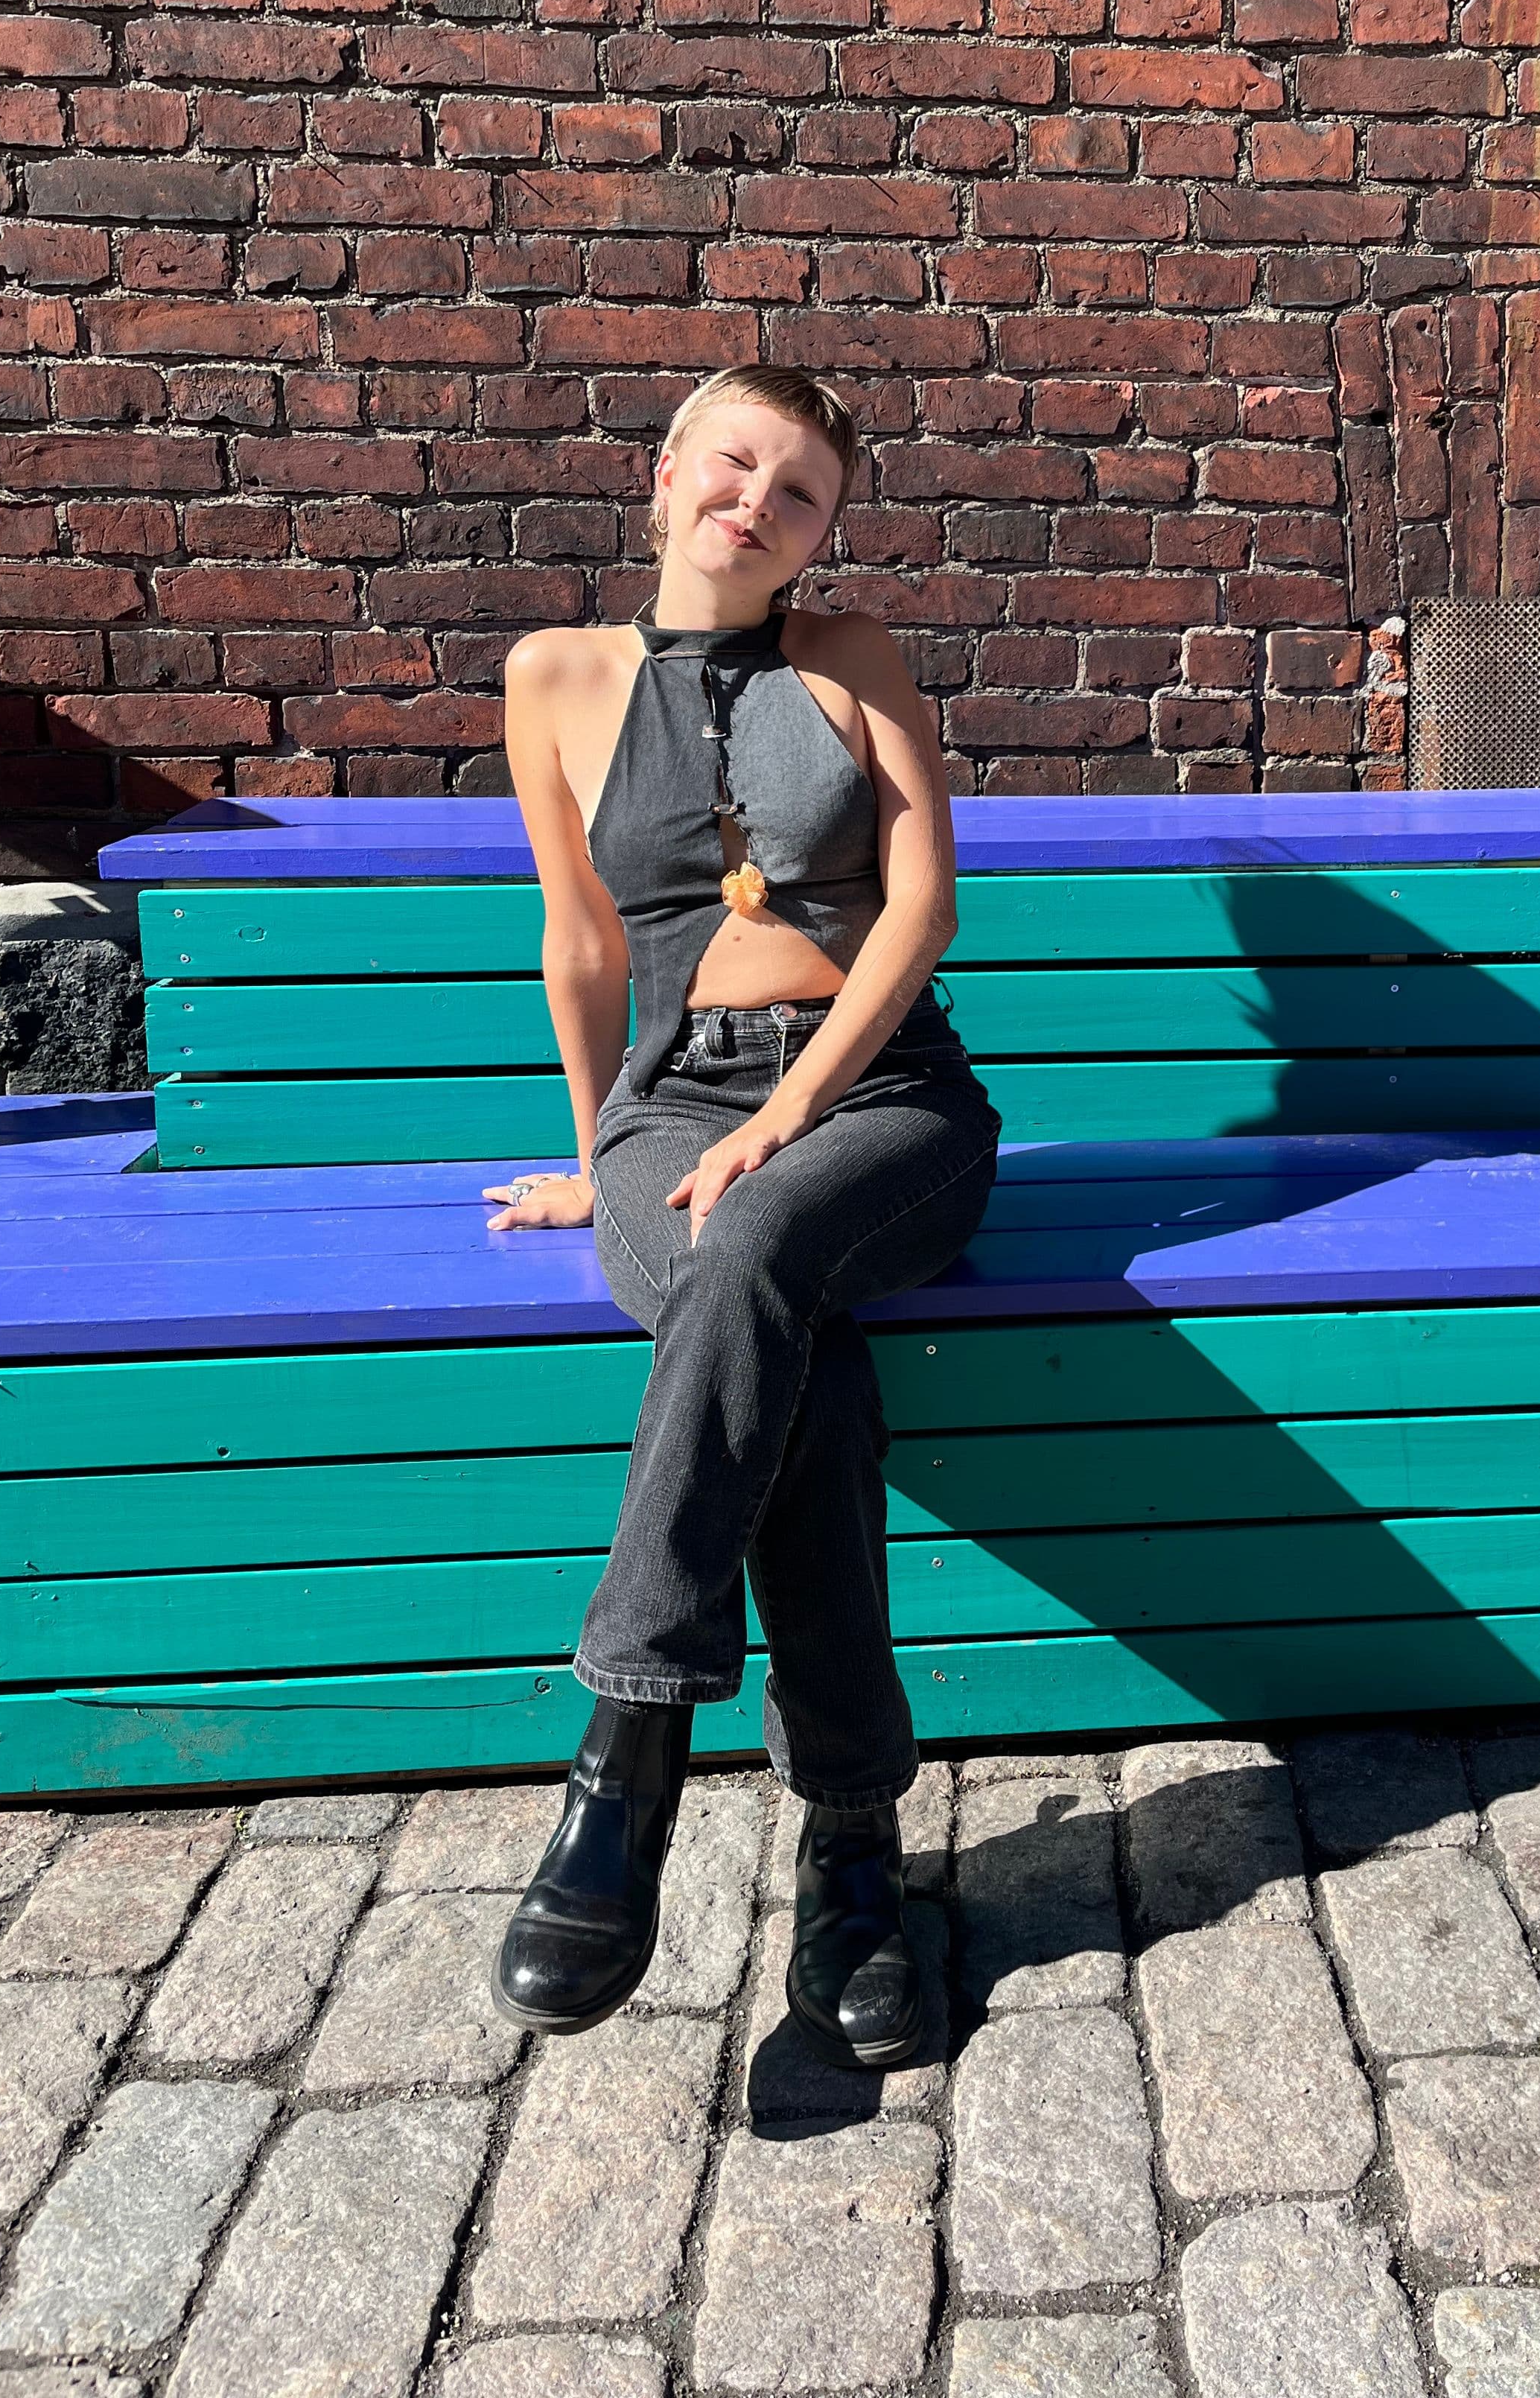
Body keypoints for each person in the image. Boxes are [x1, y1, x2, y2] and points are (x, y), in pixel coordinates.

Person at [480, 361, 1002, 2065]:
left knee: (759, 1243)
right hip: (673, 1112)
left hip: (885, 1104)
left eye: (799, 494)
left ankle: (625, 1755)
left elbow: (921, 908)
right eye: (733, 464)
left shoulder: (856, 660)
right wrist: (597, 1153)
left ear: (823, 533)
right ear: (663, 475)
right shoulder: (553, 679)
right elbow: (584, 946)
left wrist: (787, 1116)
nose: (757, 504)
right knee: (790, 1347)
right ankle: (854, 1852)